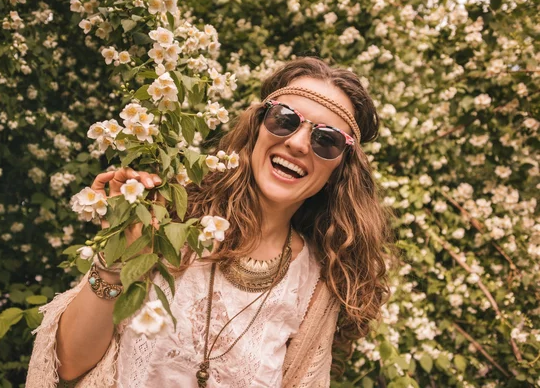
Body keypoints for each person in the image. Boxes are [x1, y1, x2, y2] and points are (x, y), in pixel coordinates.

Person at [26, 57, 394, 388]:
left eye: (326, 140)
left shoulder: (315, 287)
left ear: (338, 171)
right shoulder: (169, 219)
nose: (298, 143)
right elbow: (70, 367)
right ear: (257, 128)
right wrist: (118, 254)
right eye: (285, 119)